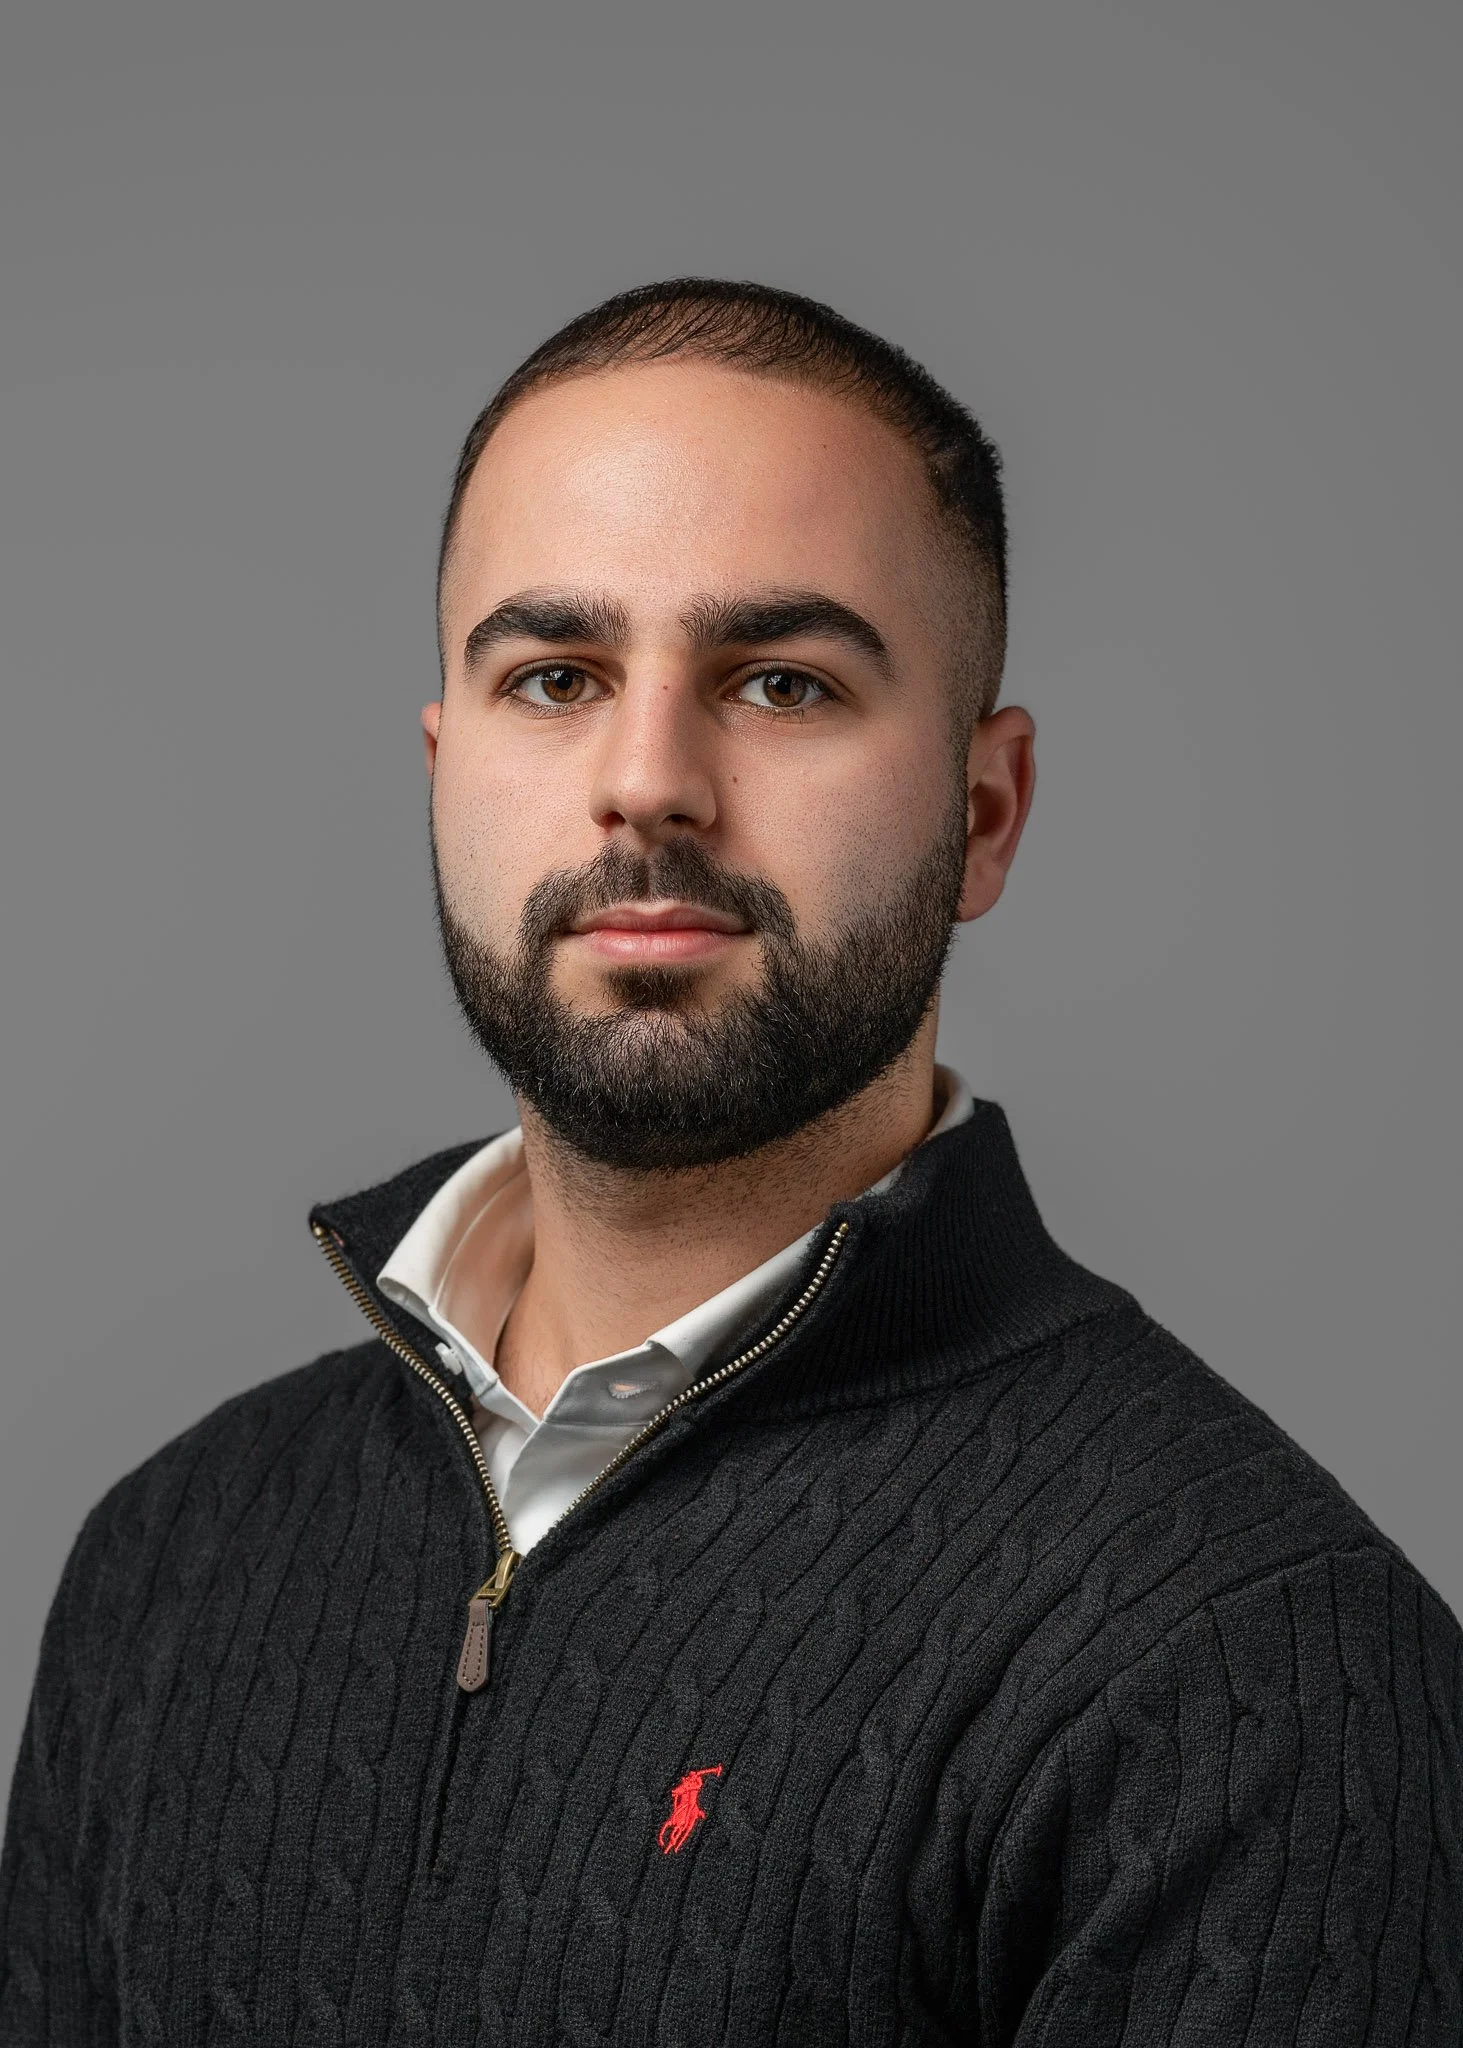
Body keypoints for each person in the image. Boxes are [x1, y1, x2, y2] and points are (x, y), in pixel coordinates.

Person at [2, 278, 1459, 2047]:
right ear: (446, 771)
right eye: (555, 677)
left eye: (780, 681)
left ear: (981, 814)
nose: (649, 782)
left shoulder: (1242, 1659)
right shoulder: (174, 1559)